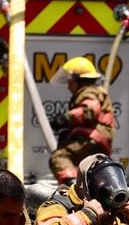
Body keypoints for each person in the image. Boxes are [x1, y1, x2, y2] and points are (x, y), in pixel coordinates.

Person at [48, 57, 114, 186]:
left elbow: (90, 110)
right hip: (98, 138)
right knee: (88, 169)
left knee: (59, 157)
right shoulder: (94, 91)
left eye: (70, 82)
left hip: (92, 137)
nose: (68, 86)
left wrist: (65, 118)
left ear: (80, 81)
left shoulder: (88, 92)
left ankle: (72, 186)